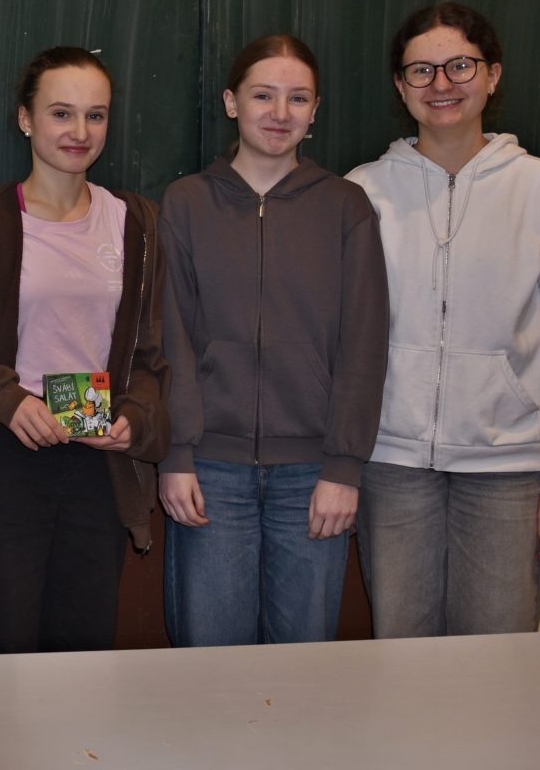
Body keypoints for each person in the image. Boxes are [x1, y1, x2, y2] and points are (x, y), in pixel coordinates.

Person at [345, 2, 540, 637]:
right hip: (393, 465)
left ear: (492, 74)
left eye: (460, 65)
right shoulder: (363, 192)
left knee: (499, 658)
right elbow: (339, 338)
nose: (442, 84)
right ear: (400, 86)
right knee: (401, 652)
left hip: (507, 469)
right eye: (421, 70)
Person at [0, 46, 168, 654]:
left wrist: (136, 417)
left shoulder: (136, 223)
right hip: (7, 457)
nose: (80, 131)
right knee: (4, 650)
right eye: (61, 113)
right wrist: (7, 400)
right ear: (26, 119)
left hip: (100, 461)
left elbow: (154, 351)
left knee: (85, 650)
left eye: (95, 115)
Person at [156, 34, 389, 646]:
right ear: (232, 102)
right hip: (209, 472)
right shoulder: (185, 203)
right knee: (210, 660)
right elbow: (171, 337)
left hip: (314, 477)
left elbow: (364, 344)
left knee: (302, 666)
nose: (280, 113)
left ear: (316, 111)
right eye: (263, 95)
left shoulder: (346, 207)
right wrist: (176, 455)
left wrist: (344, 467)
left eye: (298, 98)